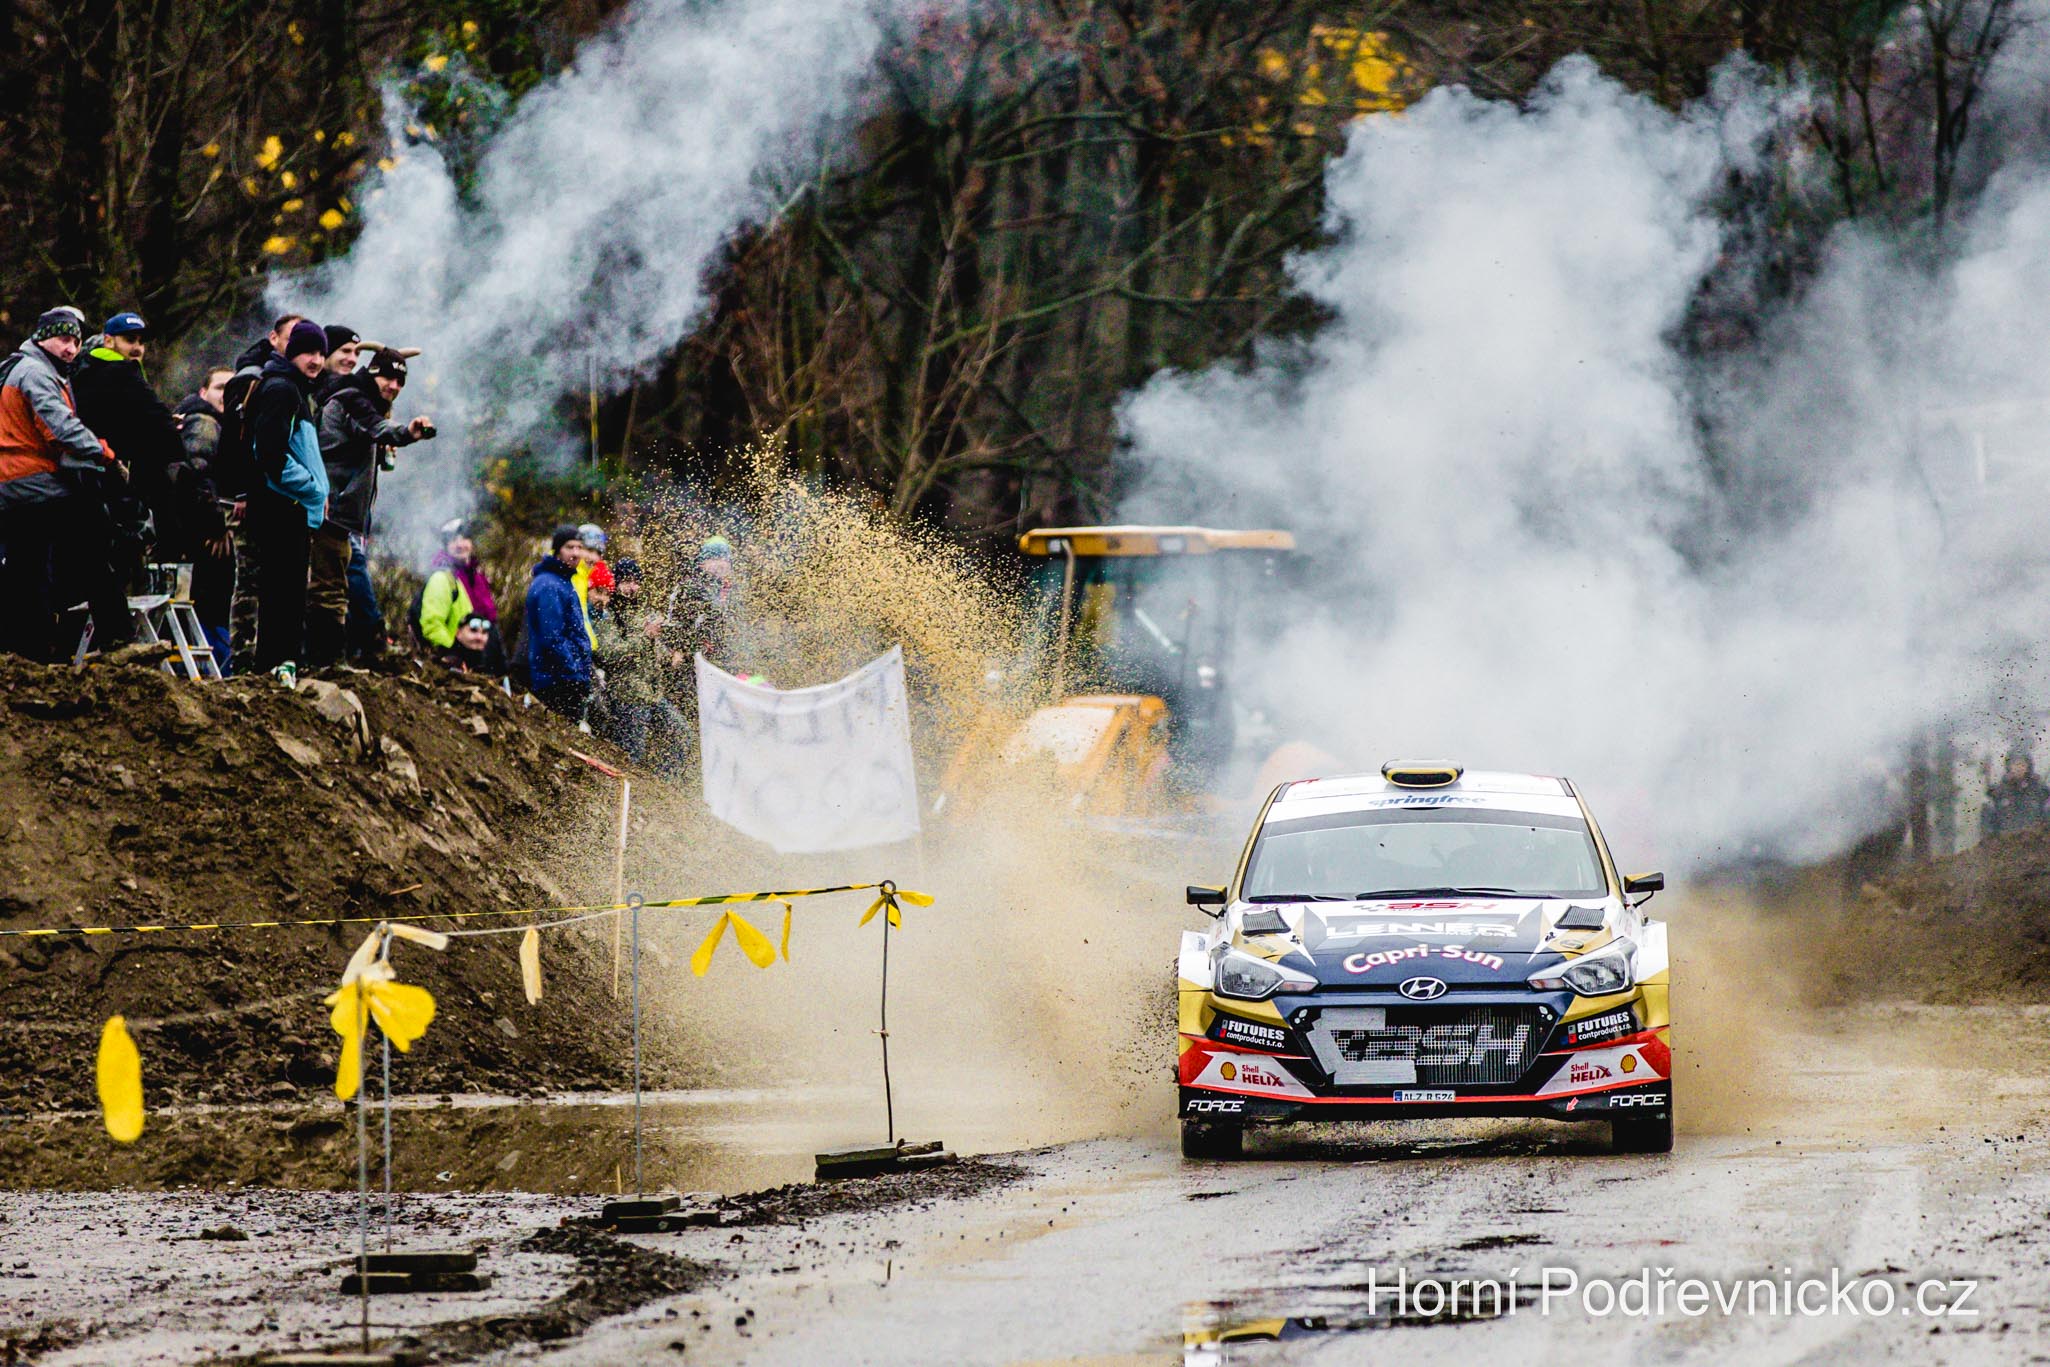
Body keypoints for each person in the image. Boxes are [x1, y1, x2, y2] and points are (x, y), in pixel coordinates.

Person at [0, 310, 133, 660]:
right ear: (43, 337)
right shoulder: (36, 373)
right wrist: (106, 455)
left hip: (11, 485)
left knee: (25, 572)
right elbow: (59, 428)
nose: (71, 348)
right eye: (63, 339)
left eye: (75, 341)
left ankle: (25, 654)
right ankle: (118, 636)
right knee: (93, 545)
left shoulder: (16, 368)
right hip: (38, 482)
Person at [308, 347, 430, 668]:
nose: (394, 386)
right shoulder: (353, 399)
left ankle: (333, 657)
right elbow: (379, 429)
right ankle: (327, 662)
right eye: (389, 378)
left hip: (336, 509)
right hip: (331, 507)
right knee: (329, 588)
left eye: (400, 382)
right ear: (373, 372)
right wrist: (408, 433)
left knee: (334, 584)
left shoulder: (359, 397)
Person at [245, 321, 330, 677]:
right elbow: (270, 454)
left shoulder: (292, 387)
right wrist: (313, 489)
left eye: (321, 353)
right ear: (292, 352)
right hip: (284, 506)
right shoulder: (282, 389)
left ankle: (277, 664)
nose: (316, 360)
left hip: (289, 505)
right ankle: (280, 666)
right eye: (309, 352)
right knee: (285, 591)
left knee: (284, 589)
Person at [220, 313, 305, 666]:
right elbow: (236, 439)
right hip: (250, 493)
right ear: (274, 338)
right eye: (294, 337)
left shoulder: (292, 381)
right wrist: (239, 492)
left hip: (278, 492)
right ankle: (244, 655)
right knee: (251, 578)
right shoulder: (253, 379)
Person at [592, 557, 676, 765]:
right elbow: (609, 654)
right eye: (627, 581)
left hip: (652, 694)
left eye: (637, 582)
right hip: (627, 696)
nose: (632, 587)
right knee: (631, 755)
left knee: (681, 738)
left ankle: (666, 781)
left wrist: (671, 651)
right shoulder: (608, 615)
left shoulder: (642, 611)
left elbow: (655, 651)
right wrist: (645, 636)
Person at [526, 525, 592, 720]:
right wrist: (574, 670)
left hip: (566, 677)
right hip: (556, 680)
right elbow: (552, 637)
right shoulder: (549, 585)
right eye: (570, 547)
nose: (576, 553)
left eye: (579, 547)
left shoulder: (564, 581)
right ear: (557, 550)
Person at [1982, 753, 2050, 841]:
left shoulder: (2039, 790)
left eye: (2022, 764)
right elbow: (1990, 820)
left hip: (2034, 841)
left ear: (2028, 767)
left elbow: (2045, 815)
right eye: (2015, 764)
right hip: (2006, 841)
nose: (2019, 768)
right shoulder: (1999, 791)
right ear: (2009, 767)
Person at [441, 611, 505, 675]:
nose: (479, 637)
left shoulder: (492, 663)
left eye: (484, 632)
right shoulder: (446, 662)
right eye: (473, 630)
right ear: (458, 633)